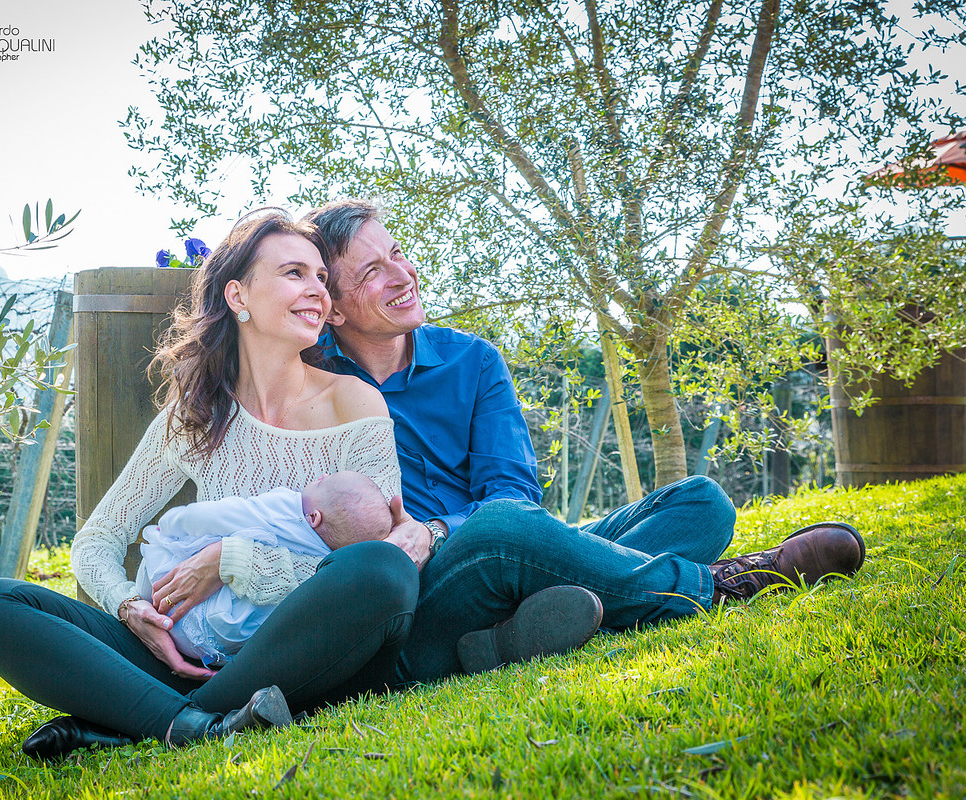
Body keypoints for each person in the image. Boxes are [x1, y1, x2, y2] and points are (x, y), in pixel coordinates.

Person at [290, 198, 866, 682]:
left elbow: (513, 491)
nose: (401, 275)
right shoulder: (310, 387)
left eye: (396, 253)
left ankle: (514, 634)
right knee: (501, 530)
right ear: (332, 309)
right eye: (371, 272)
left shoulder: (472, 360)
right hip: (423, 595)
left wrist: (440, 529)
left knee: (701, 503)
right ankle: (717, 585)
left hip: (505, 545)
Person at [0, 210, 420, 760]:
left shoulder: (353, 403)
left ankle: (163, 718)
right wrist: (131, 609)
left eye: (321, 276)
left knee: (381, 571)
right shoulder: (196, 416)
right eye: (294, 273)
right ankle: (199, 721)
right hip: (186, 649)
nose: (317, 289)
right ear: (238, 296)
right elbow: (97, 540)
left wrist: (231, 560)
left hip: (297, 652)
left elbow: (381, 552)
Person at [135, 471, 392, 668]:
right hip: (226, 646)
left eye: (323, 482)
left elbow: (220, 515)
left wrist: (172, 522)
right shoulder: (329, 565)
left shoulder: (287, 508)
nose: (321, 475)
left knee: (158, 553)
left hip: (177, 613)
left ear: (314, 518)